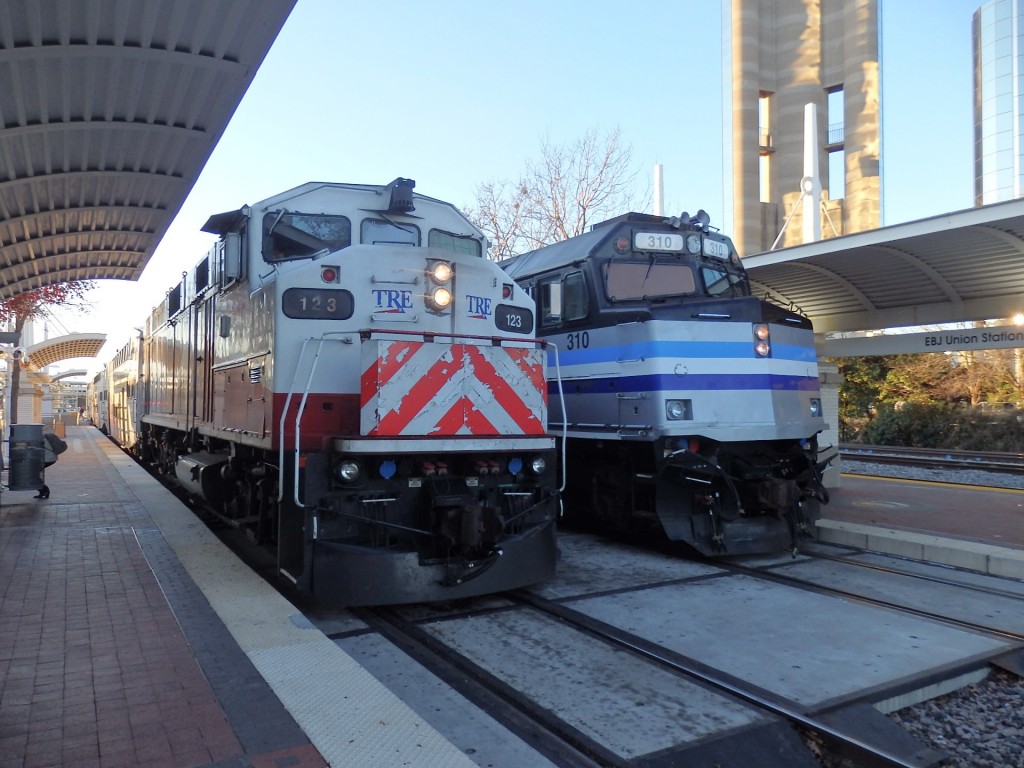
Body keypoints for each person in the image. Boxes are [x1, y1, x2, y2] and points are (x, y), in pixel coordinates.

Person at [35, 431, 67, 500]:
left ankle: (45, 490)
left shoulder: (39, 439)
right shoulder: (45, 436)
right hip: (52, 458)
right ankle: (42, 491)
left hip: (47, 459)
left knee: (33, 474)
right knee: (34, 473)